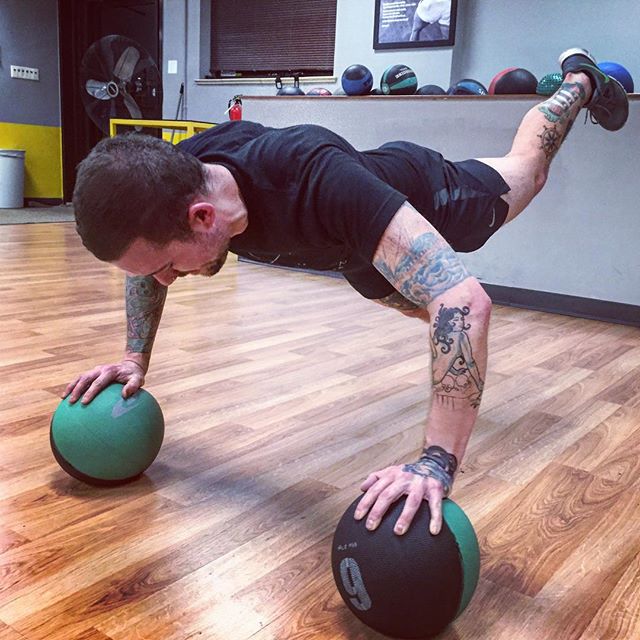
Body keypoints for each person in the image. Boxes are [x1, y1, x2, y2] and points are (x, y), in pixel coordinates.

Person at [66, 49, 628, 537]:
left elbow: (466, 303)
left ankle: (580, 82)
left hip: (427, 195)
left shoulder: (314, 180)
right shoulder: (181, 175)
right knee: (439, 323)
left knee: (527, 172)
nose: (162, 279)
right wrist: (134, 357)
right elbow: (145, 262)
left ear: (203, 216)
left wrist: (435, 463)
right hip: (362, 265)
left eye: (167, 266)